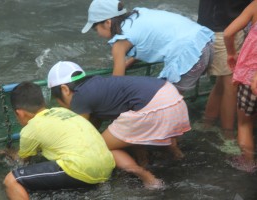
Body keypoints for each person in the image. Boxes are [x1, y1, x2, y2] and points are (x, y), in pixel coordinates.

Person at [47, 61, 191, 189]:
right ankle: (175, 155)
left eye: (58, 100)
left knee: (101, 147)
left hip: (153, 109)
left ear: (65, 90)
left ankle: (146, 176)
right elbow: (99, 123)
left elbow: (81, 132)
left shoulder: (78, 97)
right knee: (124, 132)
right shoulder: (98, 85)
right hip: (173, 98)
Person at [3, 81, 115, 199]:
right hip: (106, 165)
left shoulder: (30, 129)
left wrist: (8, 153)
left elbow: (22, 161)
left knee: (11, 181)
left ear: (19, 113)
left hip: (82, 169)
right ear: (43, 101)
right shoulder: (63, 111)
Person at [81, 0, 214, 93]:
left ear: (108, 23)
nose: (97, 34)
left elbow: (117, 82)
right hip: (203, 41)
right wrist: (127, 64)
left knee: (169, 102)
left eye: (95, 28)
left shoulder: (119, 42)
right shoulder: (138, 15)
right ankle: (208, 123)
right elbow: (148, 41)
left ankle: (172, 131)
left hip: (188, 55)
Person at [197, 0, 251, 143]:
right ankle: (227, 134)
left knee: (222, 81)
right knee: (231, 86)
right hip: (225, 30)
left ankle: (207, 122)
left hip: (208, 28)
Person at [223, 1, 257, 172]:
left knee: (244, 124)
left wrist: (231, 53)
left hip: (250, 77)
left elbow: (228, 33)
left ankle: (248, 164)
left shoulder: (255, 5)